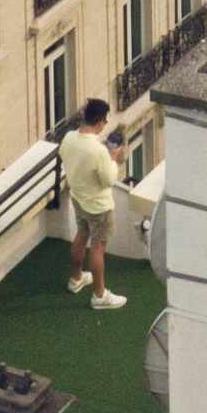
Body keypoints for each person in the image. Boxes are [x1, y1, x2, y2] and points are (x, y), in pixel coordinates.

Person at [61, 97, 125, 310]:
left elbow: (66, 157)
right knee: (98, 248)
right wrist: (113, 158)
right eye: (105, 121)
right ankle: (99, 295)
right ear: (98, 122)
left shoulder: (69, 138)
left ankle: (76, 279)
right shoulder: (98, 151)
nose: (105, 124)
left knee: (81, 234)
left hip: (78, 198)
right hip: (99, 206)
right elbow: (109, 180)